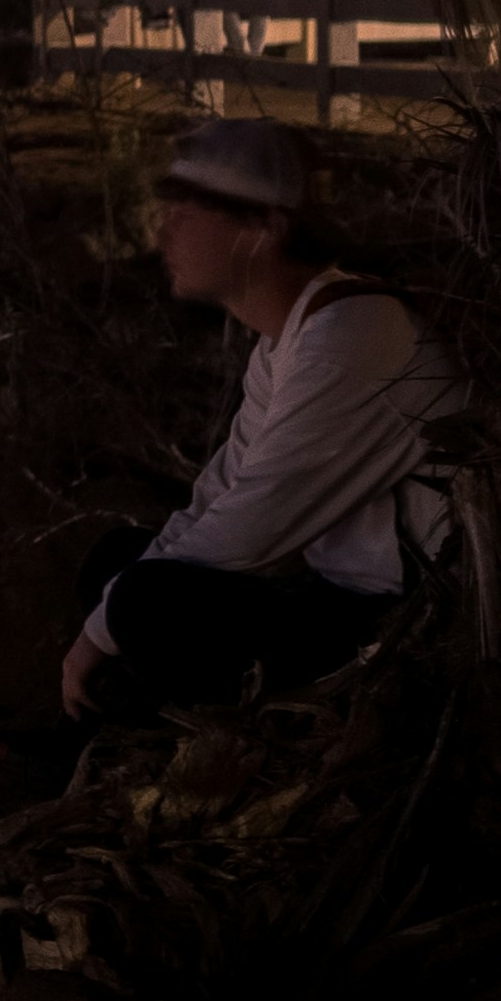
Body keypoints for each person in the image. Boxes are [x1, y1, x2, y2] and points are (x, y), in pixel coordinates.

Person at [62, 118, 435, 724]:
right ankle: (109, 731)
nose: (164, 233)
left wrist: (96, 637)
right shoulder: (283, 343)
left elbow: (254, 523)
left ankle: (112, 734)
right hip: (332, 595)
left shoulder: (351, 335)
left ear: (264, 228)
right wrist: (106, 619)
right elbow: (219, 494)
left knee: (142, 602)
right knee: (121, 562)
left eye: (189, 213)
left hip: (393, 623)